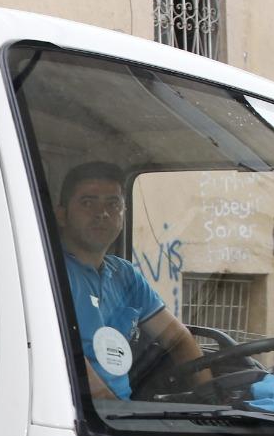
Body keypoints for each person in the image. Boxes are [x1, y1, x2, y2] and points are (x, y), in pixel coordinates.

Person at [53, 162, 205, 399]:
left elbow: (177, 338)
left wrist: (211, 396)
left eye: (113, 204)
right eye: (88, 203)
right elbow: (68, 360)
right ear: (62, 215)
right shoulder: (53, 273)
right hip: (82, 417)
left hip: (121, 413)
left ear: (123, 215)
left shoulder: (125, 275)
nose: (102, 213)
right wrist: (118, 417)